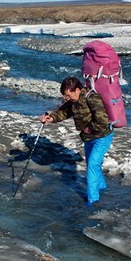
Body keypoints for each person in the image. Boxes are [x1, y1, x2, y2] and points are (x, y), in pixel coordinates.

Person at [40, 76, 114, 205]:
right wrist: (50, 118)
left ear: (78, 90)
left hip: (102, 137)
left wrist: (88, 129)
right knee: (93, 164)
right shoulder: (72, 101)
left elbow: (103, 120)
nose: (66, 98)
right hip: (88, 139)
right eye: (65, 96)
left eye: (68, 95)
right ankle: (102, 187)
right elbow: (63, 113)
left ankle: (93, 199)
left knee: (92, 164)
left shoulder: (92, 98)